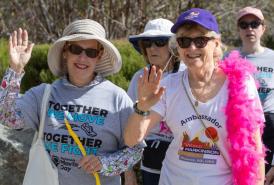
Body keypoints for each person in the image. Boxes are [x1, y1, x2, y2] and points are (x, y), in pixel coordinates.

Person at [124, 8, 265, 185]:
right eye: (184, 41)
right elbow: (131, 139)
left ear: (216, 43)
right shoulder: (169, 85)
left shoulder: (240, 83)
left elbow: (253, 150)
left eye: (200, 40)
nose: (191, 48)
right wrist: (142, 108)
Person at [0, 19, 143, 185]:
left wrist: (104, 163)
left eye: (90, 52)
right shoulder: (44, 94)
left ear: (99, 56)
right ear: (65, 51)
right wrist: (15, 70)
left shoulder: (117, 98)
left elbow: (135, 150)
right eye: (76, 49)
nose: (83, 58)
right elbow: (6, 117)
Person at [124, 18, 184, 185]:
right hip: (151, 162)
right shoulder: (140, 77)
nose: (152, 48)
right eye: (147, 43)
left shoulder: (186, 75)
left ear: (173, 45)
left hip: (185, 161)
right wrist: (128, 173)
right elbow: (127, 124)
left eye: (159, 42)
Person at [234, 6, 274, 182]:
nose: (249, 28)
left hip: (271, 125)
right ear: (239, 30)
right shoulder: (229, 58)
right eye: (244, 24)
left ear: (263, 28)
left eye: (255, 24)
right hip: (241, 128)